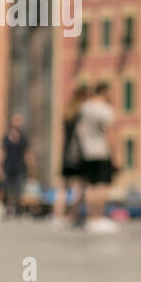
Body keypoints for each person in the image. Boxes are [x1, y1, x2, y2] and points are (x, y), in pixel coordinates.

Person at [76, 81, 118, 234]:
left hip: (87, 151)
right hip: (101, 151)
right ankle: (99, 218)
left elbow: (79, 130)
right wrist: (115, 154)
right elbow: (110, 132)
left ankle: (90, 218)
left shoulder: (84, 108)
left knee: (91, 186)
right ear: (105, 92)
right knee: (101, 186)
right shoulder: (105, 109)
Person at [52, 85, 88, 228]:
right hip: (78, 154)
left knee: (63, 187)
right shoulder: (81, 114)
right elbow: (81, 133)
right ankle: (72, 215)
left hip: (66, 153)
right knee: (79, 186)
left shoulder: (67, 113)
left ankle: (57, 215)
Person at [0, 114, 30, 218]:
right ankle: (10, 209)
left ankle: (20, 210)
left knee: (20, 189)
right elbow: (2, 152)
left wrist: (30, 167)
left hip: (20, 165)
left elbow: (27, 153)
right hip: (8, 165)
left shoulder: (23, 137)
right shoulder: (6, 136)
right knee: (8, 189)